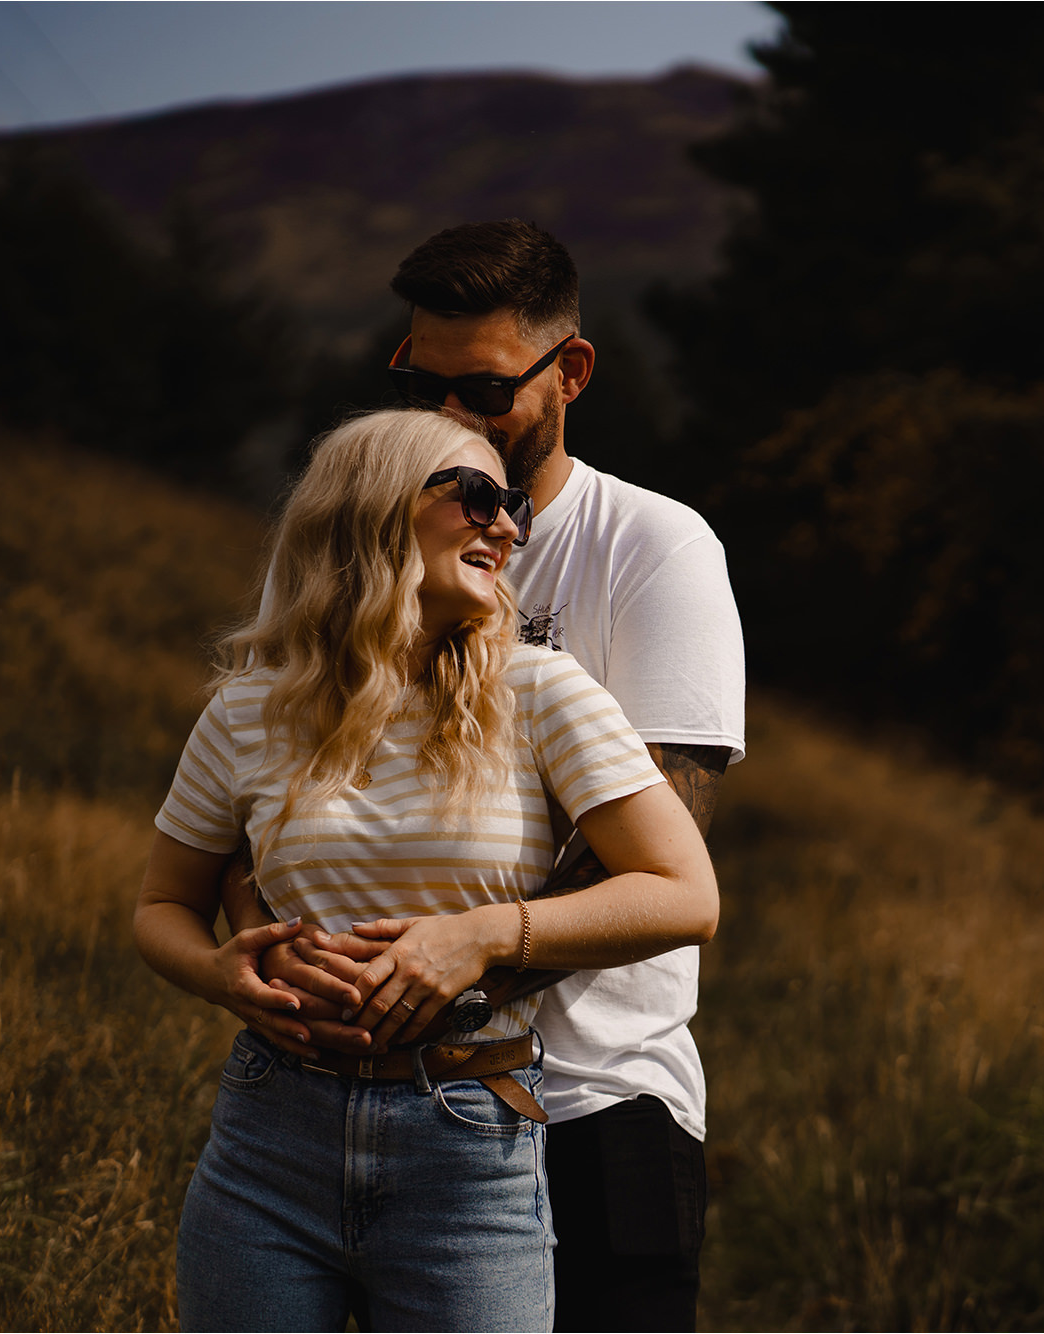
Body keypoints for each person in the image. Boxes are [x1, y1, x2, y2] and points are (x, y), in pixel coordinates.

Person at [222, 220, 747, 1331]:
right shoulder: (350, 544)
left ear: (571, 372)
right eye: (424, 385)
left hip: (597, 1099)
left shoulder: (654, 548)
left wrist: (445, 970)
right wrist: (276, 951)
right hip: (343, 1102)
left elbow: (661, 841)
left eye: (486, 390)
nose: (452, 415)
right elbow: (258, 798)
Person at [134, 408, 719, 1331]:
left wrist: (482, 937)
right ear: (372, 506)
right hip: (267, 1142)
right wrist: (218, 974)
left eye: (516, 507)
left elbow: (685, 895)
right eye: (479, 496)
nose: (508, 526)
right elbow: (163, 903)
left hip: (467, 1150)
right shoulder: (249, 709)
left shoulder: (541, 691)